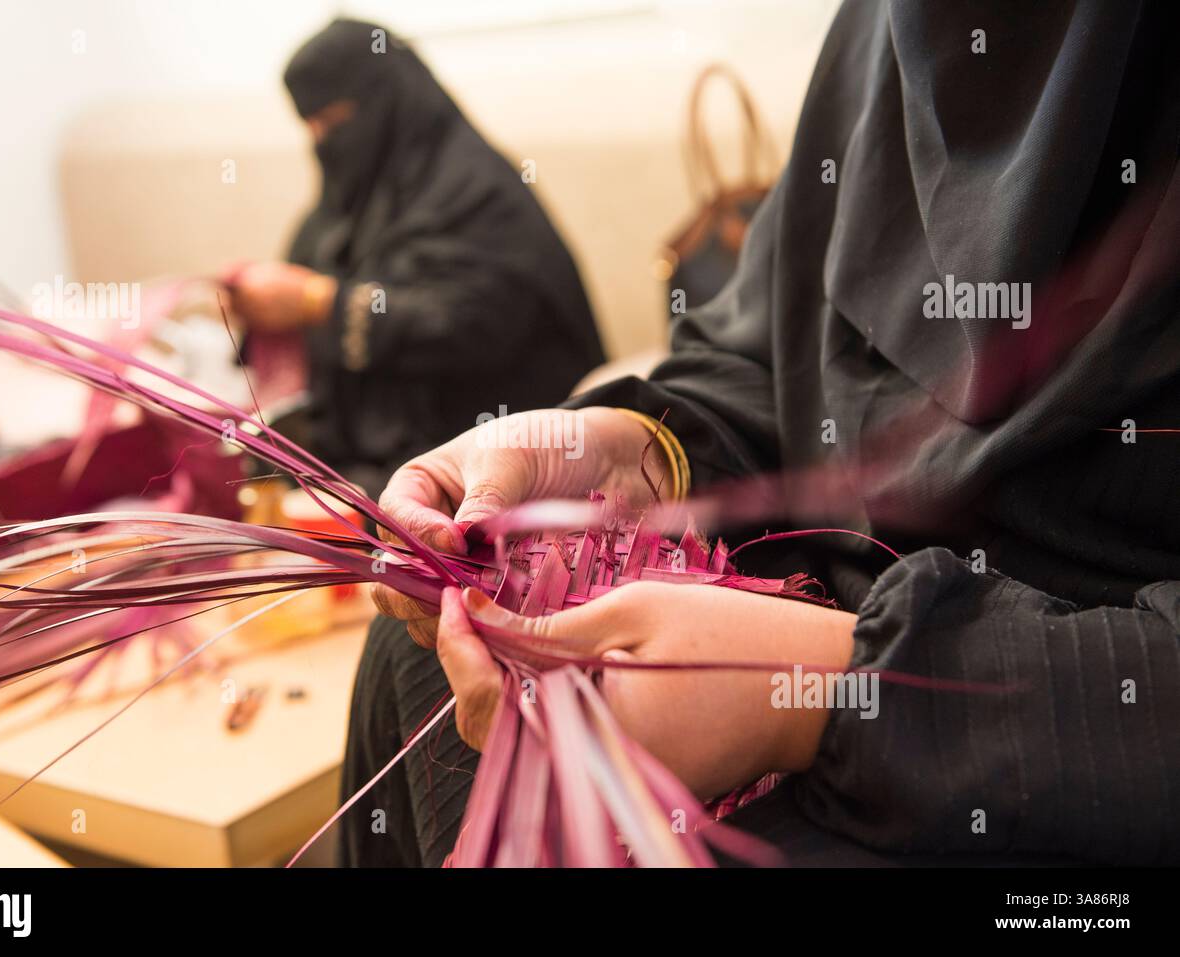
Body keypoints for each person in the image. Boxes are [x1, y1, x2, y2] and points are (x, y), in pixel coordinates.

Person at [341, 0, 1180, 866]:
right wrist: (645, 449)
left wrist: (831, 686)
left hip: (1048, 726)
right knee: (420, 659)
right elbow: (775, 351)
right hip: (821, 600)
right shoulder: (883, 35)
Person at [223, 19, 603, 495]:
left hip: (492, 478)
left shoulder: (477, 191)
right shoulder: (352, 199)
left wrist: (318, 302)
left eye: (336, 122)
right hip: (373, 471)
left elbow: (471, 325)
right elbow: (311, 264)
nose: (324, 142)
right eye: (312, 127)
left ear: (389, 103)